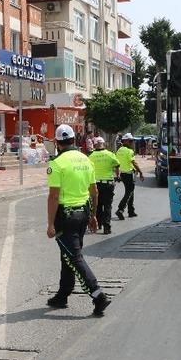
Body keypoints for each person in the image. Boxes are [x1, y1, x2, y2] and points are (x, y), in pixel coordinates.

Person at [46, 124, 111, 317]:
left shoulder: (57, 163)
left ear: (57, 143)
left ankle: (98, 296)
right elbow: (94, 192)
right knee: (68, 256)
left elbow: (54, 197)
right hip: (83, 214)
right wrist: (92, 215)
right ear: (74, 139)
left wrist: (50, 224)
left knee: (74, 257)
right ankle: (63, 295)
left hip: (65, 217)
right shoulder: (86, 159)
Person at [88, 137, 120, 235]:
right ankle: (107, 227)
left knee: (97, 204)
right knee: (107, 205)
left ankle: (98, 224)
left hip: (95, 184)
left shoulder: (91, 156)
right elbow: (117, 166)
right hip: (108, 184)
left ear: (95, 145)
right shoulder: (110, 154)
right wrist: (117, 175)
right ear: (103, 144)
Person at [115, 133, 144, 220]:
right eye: (131, 141)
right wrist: (141, 172)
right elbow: (134, 163)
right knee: (129, 192)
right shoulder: (129, 151)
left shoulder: (119, 150)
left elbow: (117, 163)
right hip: (129, 174)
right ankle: (120, 209)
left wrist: (117, 175)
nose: (132, 143)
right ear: (125, 141)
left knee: (130, 192)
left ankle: (131, 211)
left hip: (123, 174)